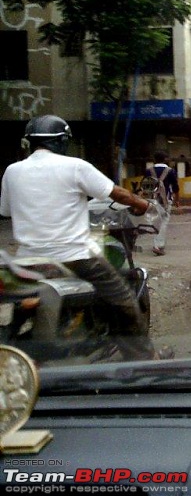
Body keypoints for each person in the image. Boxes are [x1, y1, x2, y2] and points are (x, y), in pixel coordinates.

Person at [0, 115, 163, 361]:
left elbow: (6, 211)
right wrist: (142, 204)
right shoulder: (75, 166)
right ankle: (143, 357)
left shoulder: (11, 171)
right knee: (122, 296)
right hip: (72, 257)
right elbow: (117, 193)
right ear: (62, 141)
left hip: (26, 261)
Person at [144, 151, 180, 256]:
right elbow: (175, 187)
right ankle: (158, 245)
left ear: (154, 160)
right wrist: (177, 200)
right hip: (166, 200)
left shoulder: (149, 171)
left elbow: (146, 186)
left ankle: (158, 244)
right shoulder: (170, 171)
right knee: (164, 221)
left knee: (155, 221)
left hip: (152, 200)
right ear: (165, 159)